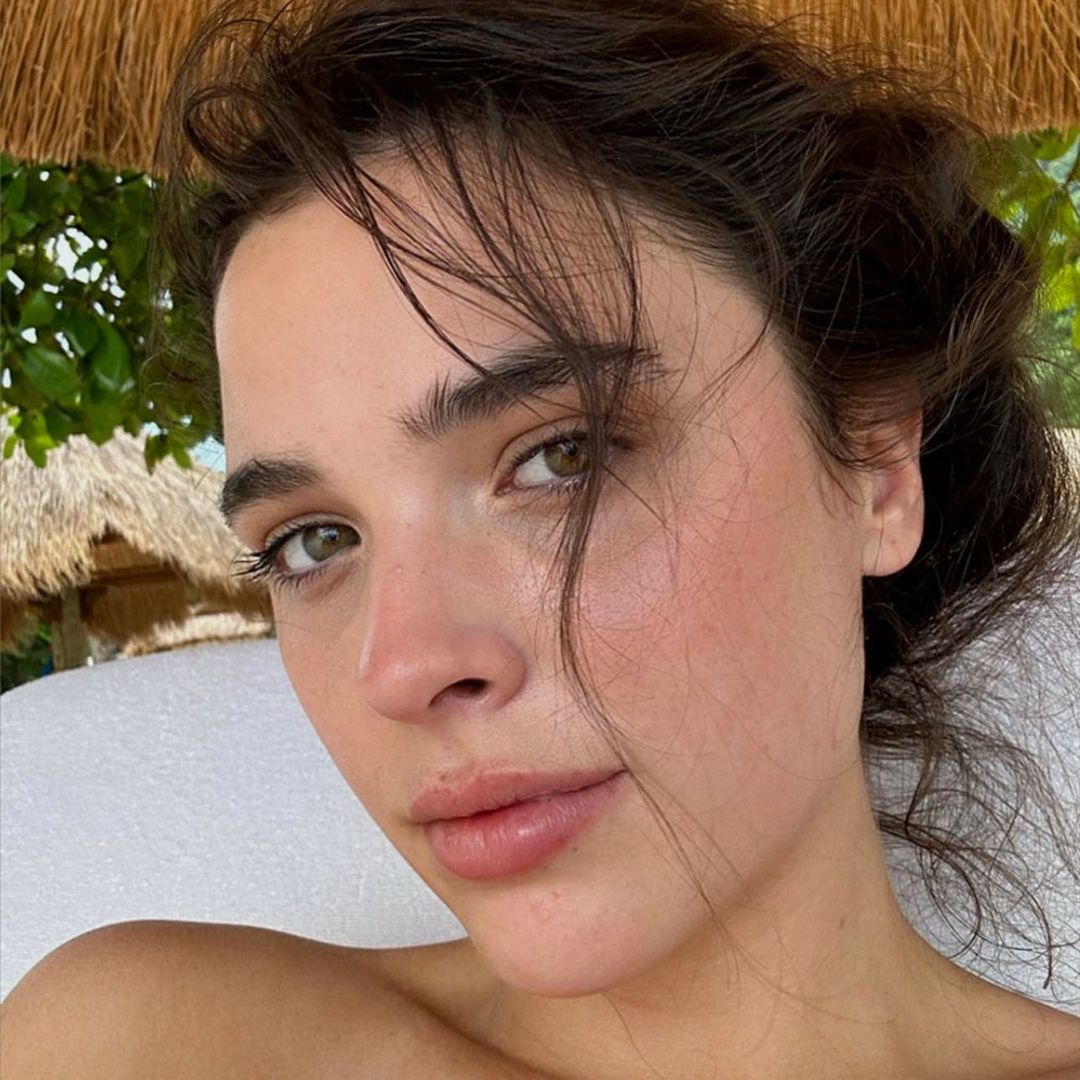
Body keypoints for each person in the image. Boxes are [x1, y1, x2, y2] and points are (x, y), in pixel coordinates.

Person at [2, 0, 1079, 1076]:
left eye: (561, 457)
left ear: (877, 466)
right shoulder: (142, 1048)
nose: (403, 668)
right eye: (314, 542)